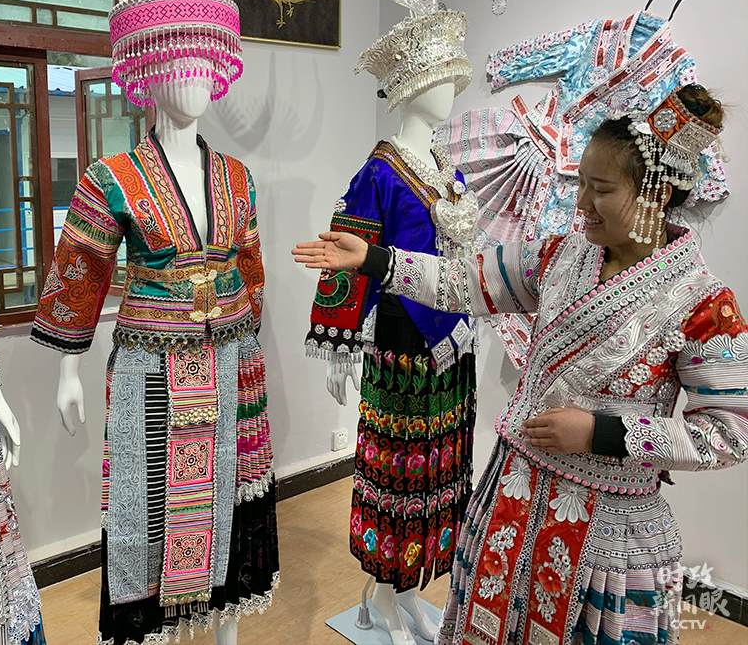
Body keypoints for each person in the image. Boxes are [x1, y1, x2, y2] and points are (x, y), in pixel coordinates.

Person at [293, 84, 748, 644]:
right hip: (511, 499)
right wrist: (376, 260)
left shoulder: (705, 304)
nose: (581, 204)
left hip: (608, 531)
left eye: (601, 189)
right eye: (581, 184)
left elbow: (732, 432)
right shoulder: (562, 255)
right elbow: (466, 282)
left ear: (657, 192)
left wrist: (602, 432)